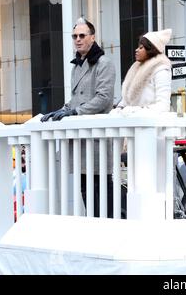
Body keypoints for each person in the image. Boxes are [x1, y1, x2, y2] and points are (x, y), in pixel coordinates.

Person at [41, 18, 125, 219]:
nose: (77, 40)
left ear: (92, 37)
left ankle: (109, 225)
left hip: (96, 138)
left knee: (102, 185)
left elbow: (104, 99)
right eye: (74, 36)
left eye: (82, 36)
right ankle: (93, 225)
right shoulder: (77, 65)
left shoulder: (104, 63)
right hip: (81, 139)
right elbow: (76, 99)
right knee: (84, 186)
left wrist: (75, 112)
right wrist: (62, 110)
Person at [111, 28, 172, 114]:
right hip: (131, 123)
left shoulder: (161, 70)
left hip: (150, 124)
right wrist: (119, 108)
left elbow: (163, 106)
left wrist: (136, 110)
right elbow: (127, 100)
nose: (136, 50)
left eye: (141, 47)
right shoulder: (135, 67)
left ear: (151, 49)